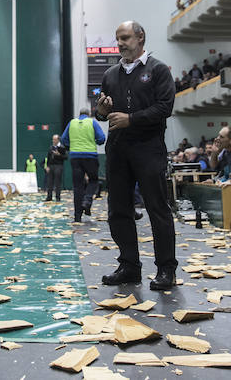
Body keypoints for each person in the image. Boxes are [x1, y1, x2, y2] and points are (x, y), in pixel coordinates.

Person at [95, 20, 176, 290]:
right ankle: (129, 266)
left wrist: (132, 119)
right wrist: (101, 113)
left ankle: (166, 269)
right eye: (118, 38)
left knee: (157, 209)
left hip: (149, 148)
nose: (120, 43)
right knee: (118, 210)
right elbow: (102, 112)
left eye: (126, 38)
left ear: (140, 38)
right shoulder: (110, 74)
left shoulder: (159, 70)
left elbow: (164, 107)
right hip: (117, 150)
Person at [60, 108, 106, 220]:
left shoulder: (72, 123)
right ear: (89, 114)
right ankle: (87, 200)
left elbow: (64, 140)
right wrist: (93, 140)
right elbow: (102, 138)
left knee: (77, 186)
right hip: (90, 156)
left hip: (75, 157)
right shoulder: (92, 122)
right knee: (93, 180)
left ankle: (77, 216)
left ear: (79, 114)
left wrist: (72, 145)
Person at [44, 134, 67, 202]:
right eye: (53, 139)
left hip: (58, 166)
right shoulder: (51, 147)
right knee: (49, 182)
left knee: (57, 182)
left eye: (54, 139)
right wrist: (47, 166)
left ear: (58, 140)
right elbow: (48, 157)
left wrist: (59, 155)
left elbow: (65, 157)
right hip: (51, 166)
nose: (53, 140)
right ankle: (49, 197)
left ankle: (58, 197)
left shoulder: (62, 147)